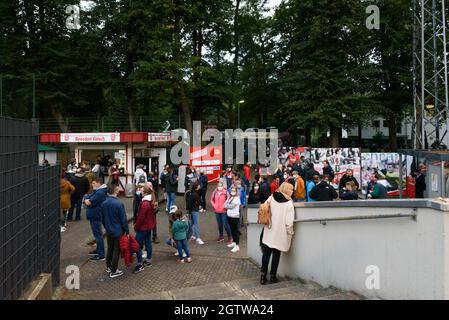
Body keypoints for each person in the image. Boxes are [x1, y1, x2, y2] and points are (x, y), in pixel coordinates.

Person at [260, 182, 295, 285]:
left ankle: (263, 276)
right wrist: (290, 233)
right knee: (276, 254)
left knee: (266, 253)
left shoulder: (272, 197)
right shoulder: (289, 203)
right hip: (280, 233)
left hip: (269, 229)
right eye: (291, 189)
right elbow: (289, 222)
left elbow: (264, 208)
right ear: (287, 190)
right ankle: (273, 276)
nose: (292, 191)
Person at [101, 185, 130, 278]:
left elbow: (102, 218)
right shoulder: (119, 204)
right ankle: (114, 270)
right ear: (116, 191)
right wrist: (127, 231)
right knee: (116, 250)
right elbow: (123, 219)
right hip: (118, 230)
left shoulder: (104, 203)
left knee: (110, 248)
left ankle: (108, 266)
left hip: (109, 230)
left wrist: (107, 226)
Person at [84, 177, 108, 261]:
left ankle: (101, 254)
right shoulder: (97, 191)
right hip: (95, 215)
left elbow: (89, 202)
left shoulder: (99, 193)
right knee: (97, 234)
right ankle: (98, 250)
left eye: (93, 183)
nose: (92, 185)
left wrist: (87, 200)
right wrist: (87, 199)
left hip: (96, 216)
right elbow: (88, 197)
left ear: (98, 183)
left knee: (98, 235)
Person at [134, 186, 156, 268]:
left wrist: (136, 226)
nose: (140, 192)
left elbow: (140, 218)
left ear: (145, 193)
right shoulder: (150, 201)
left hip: (143, 227)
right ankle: (148, 260)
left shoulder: (144, 203)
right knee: (148, 243)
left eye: (142, 191)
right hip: (149, 226)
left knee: (136, 244)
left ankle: (140, 263)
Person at [224, 186, 242, 253]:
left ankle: (237, 246)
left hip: (235, 217)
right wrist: (227, 205)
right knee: (232, 230)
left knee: (235, 231)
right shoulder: (229, 197)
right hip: (229, 216)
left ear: (236, 191)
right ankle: (234, 242)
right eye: (232, 190)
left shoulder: (237, 198)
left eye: (234, 190)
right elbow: (224, 205)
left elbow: (231, 206)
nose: (232, 192)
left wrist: (227, 205)